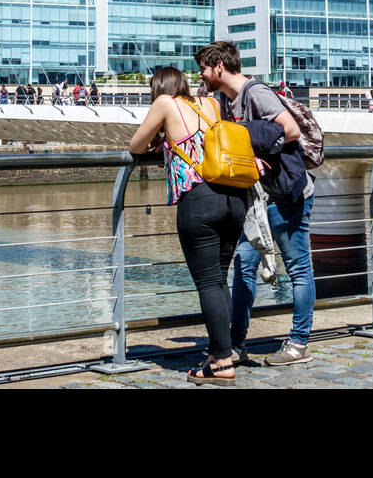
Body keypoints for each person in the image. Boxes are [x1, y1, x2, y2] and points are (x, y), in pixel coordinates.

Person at [195, 41, 313, 367]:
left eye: (203, 68)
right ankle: (235, 345)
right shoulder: (224, 101)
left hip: (287, 196)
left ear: (219, 66)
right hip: (256, 200)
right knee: (243, 269)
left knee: (298, 269)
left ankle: (299, 343)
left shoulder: (255, 92)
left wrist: (256, 149)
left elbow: (289, 130)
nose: (201, 74)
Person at [128, 66, 248, 385]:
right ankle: (220, 352)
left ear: (160, 87)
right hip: (234, 199)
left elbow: (135, 145)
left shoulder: (165, 103)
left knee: (208, 282)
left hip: (200, 201)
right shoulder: (210, 103)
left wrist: (160, 140)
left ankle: (221, 363)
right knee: (219, 278)